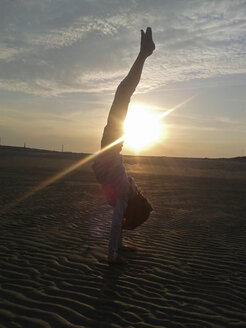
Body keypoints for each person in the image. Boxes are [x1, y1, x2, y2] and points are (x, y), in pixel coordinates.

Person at [93, 27, 155, 264]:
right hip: (111, 148)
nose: (142, 195)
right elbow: (119, 224)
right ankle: (144, 54)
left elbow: (115, 226)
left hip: (109, 148)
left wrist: (114, 256)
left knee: (124, 93)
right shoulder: (126, 195)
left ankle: (144, 54)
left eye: (143, 199)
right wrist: (121, 247)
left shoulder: (122, 199)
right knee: (123, 93)